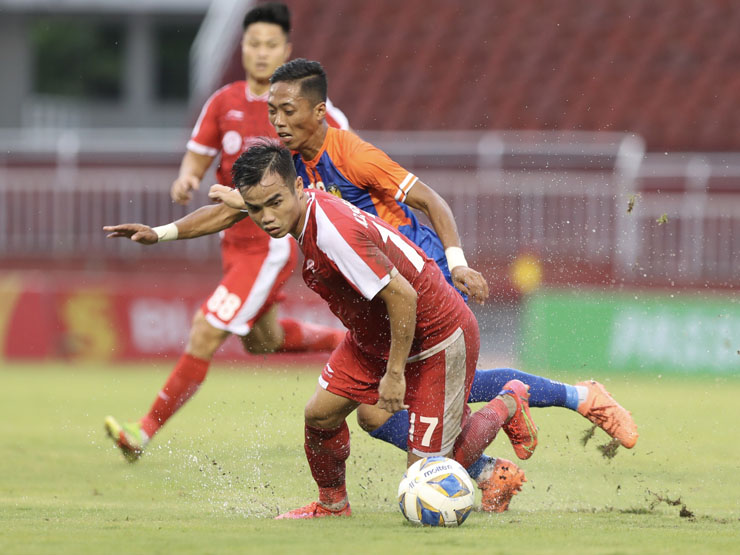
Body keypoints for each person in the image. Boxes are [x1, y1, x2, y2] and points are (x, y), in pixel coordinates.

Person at [232, 139, 539, 519]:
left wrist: (394, 375)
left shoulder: (331, 233)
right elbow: (254, 202)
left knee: (430, 474)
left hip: (436, 336)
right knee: (320, 417)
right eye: (254, 208)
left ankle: (509, 401)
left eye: (274, 203)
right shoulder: (301, 205)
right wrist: (167, 232)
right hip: (372, 336)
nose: (266, 218)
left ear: (298, 187)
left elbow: (402, 296)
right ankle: (332, 505)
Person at [103, 3, 349, 463]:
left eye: (270, 44)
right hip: (232, 244)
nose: (260, 52)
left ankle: (144, 430)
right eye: (253, 43)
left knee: (205, 330)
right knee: (262, 341)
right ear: (243, 47)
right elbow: (198, 154)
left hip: (269, 244)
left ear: (286, 49)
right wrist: (187, 179)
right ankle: (346, 343)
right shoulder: (224, 101)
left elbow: (343, 157)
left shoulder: (310, 112)